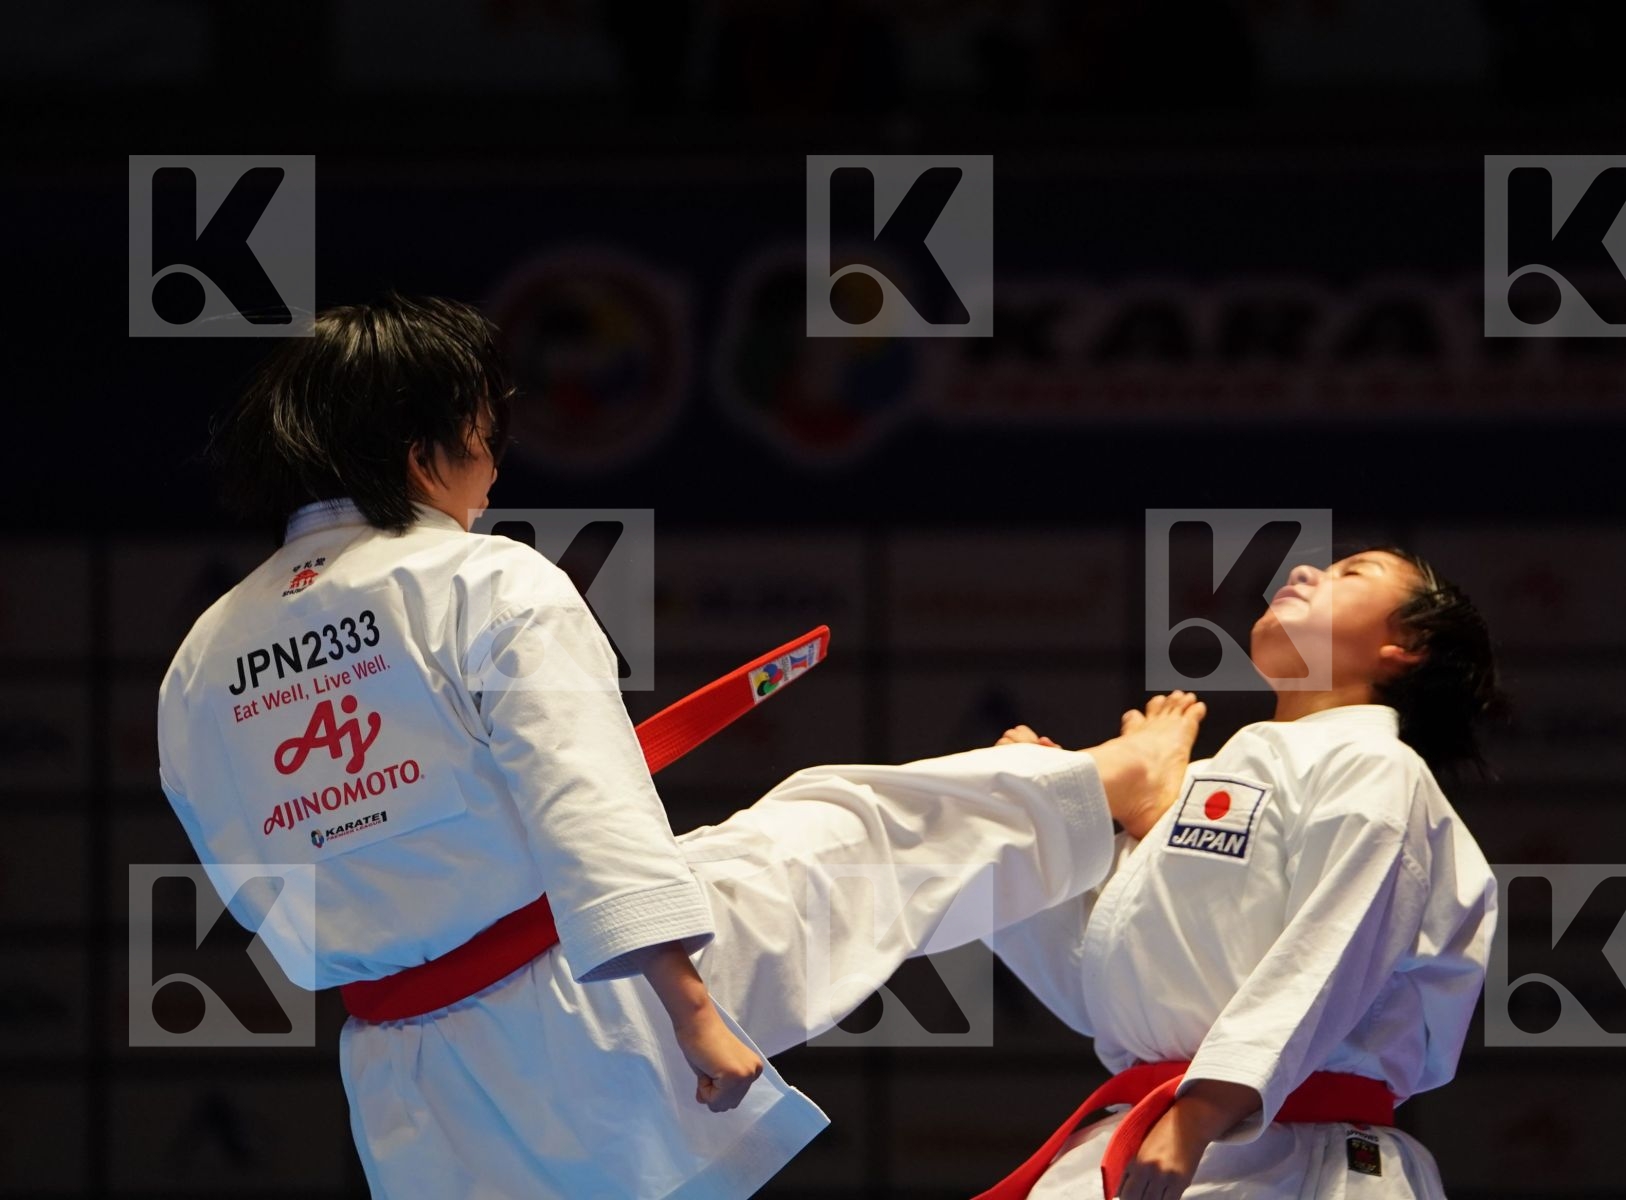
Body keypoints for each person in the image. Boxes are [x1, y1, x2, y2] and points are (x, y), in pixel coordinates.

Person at [154, 294, 1197, 1198]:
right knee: (844, 829)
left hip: (406, 1070)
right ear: (421, 447)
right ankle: (1108, 780)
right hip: (598, 999)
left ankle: (1073, 790)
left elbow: (272, 883)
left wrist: (440, 877)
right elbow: (588, 816)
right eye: (484, 438)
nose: (493, 474)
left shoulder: (201, 661)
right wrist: (689, 1010)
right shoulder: (485, 582)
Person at [980, 548, 1503, 1200]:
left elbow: (1328, 953)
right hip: (1147, 1139)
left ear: (1408, 644)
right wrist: (1039, 824)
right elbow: (1096, 983)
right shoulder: (1212, 780)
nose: (1306, 571)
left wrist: (1206, 1108)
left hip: (1299, 1150)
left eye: (1351, 573)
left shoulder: (1377, 766)